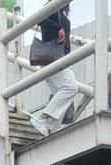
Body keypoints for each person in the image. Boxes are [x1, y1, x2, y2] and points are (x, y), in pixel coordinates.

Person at [29, 2, 78, 136]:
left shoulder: (63, 16)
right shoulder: (51, 10)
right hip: (51, 58)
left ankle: (48, 128)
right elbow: (40, 18)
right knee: (71, 87)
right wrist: (58, 28)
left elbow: (66, 43)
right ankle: (43, 118)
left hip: (60, 59)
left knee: (60, 94)